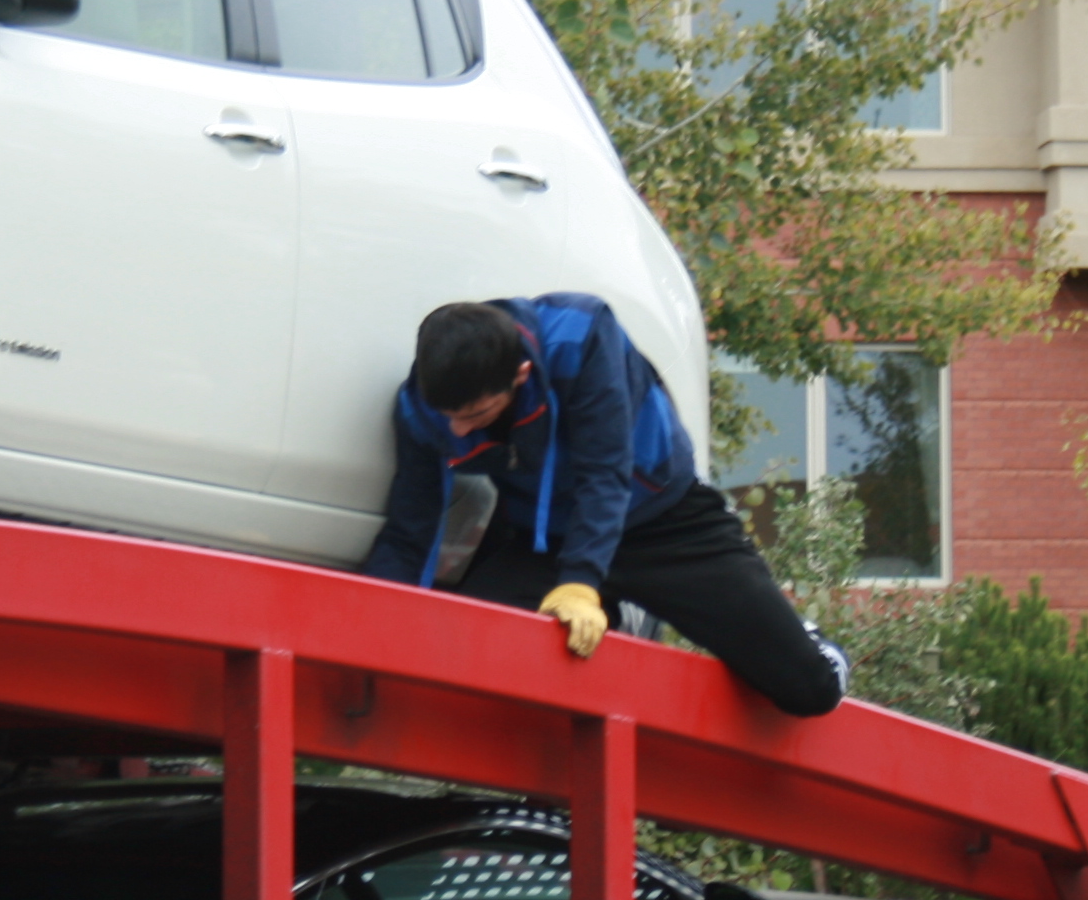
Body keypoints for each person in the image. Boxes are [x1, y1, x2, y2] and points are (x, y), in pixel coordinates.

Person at [362, 296, 847, 717]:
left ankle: (801, 639)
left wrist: (580, 583)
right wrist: (378, 627)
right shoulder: (422, 408)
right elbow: (411, 529)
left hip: (664, 523)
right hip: (545, 541)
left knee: (807, 691)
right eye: (450, 418)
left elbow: (606, 473)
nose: (460, 432)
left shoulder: (583, 335)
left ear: (520, 375)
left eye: (475, 416)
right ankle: (608, 614)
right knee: (467, 650)